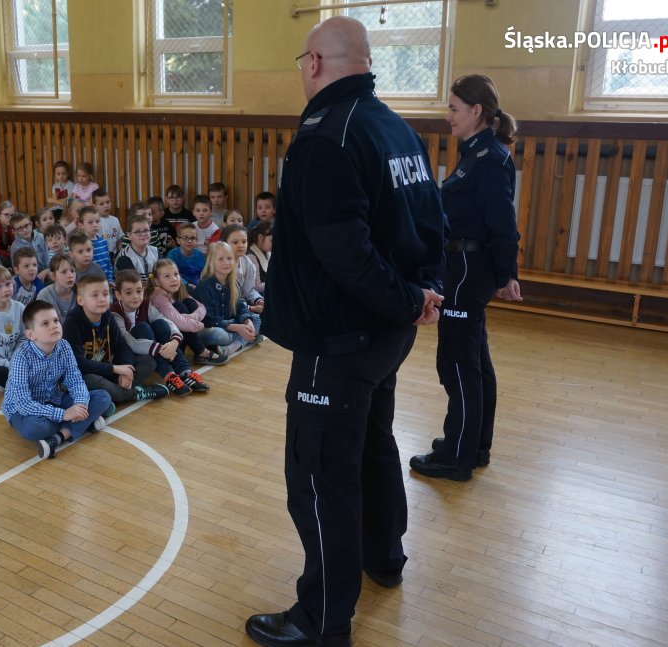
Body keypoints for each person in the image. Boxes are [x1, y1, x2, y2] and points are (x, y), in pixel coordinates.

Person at [245, 17, 445, 647]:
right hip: (384, 334)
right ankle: (383, 556)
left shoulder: (325, 136)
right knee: (371, 445)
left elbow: (346, 254)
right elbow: (431, 224)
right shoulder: (395, 127)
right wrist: (421, 295)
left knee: (319, 475)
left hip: (338, 341)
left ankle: (321, 619)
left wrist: (410, 299)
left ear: (313, 63)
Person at [409, 74, 522, 482]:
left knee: (457, 363)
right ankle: (473, 445)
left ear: (476, 111)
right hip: (463, 268)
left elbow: (503, 224)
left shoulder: (488, 159)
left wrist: (507, 274)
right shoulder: (476, 152)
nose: (448, 116)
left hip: (467, 271)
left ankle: (456, 457)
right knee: (474, 360)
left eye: (454, 108)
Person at [1, 300, 113, 459]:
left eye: (55, 320)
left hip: (54, 399)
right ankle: (84, 423)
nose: (54, 326)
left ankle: (59, 437)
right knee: (35, 428)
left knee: (103, 397)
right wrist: (64, 414)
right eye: (45, 323)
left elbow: (75, 380)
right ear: (31, 334)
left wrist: (80, 405)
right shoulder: (21, 357)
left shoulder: (64, 346)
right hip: (22, 410)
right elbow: (24, 404)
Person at [62, 274, 168, 404]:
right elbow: (78, 364)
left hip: (106, 370)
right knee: (91, 380)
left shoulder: (107, 315)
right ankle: (133, 394)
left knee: (148, 361)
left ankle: (114, 393)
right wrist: (114, 369)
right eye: (95, 295)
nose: (102, 299)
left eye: (105, 294)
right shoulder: (72, 323)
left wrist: (126, 369)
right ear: (80, 300)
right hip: (85, 375)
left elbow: (122, 346)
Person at [110, 270, 209, 396]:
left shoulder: (145, 304)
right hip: (130, 355)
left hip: (154, 348)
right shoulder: (114, 313)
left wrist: (174, 341)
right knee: (142, 328)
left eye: (139, 291)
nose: (135, 296)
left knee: (160, 324)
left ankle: (185, 372)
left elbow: (166, 321)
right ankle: (169, 376)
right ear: (118, 295)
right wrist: (160, 349)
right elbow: (129, 342)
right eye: (129, 292)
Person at [148, 258, 227, 366]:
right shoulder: (158, 296)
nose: (174, 279)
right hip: (164, 342)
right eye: (167, 276)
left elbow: (201, 307)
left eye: (176, 274)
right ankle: (200, 352)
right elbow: (180, 323)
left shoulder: (178, 290)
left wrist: (193, 316)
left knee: (189, 302)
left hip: (179, 335)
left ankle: (198, 351)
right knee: (180, 307)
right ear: (157, 281)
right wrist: (200, 325)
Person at [193, 241, 260, 359]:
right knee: (218, 335)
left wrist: (247, 321)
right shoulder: (204, 286)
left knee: (257, 320)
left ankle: (231, 347)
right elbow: (208, 320)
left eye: (229, 258)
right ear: (211, 261)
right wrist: (236, 328)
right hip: (211, 328)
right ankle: (244, 340)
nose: (226, 263)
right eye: (221, 259)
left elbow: (241, 306)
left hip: (231, 325)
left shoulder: (233, 283)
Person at [221, 224, 264, 315]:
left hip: (242, 307)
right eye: (235, 242)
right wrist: (251, 308)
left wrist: (258, 301)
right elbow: (223, 298)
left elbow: (249, 290)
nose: (241, 245)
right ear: (224, 243)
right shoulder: (220, 264)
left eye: (244, 242)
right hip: (224, 309)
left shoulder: (247, 262)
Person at [114, 213, 158, 281]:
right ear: (129, 236)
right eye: (137, 232)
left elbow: (161, 275)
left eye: (146, 230)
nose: (143, 234)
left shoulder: (155, 251)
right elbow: (132, 284)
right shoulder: (124, 258)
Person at [37, 252, 78, 323]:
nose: (70, 275)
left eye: (72, 271)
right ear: (53, 276)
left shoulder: (80, 292)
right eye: (64, 272)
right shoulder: (44, 296)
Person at [9, 212, 49, 281]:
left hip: (44, 272)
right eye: (20, 228)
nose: (25, 230)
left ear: (31, 224)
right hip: (27, 277)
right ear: (14, 231)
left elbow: (46, 259)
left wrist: (46, 272)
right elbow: (17, 269)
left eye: (26, 225)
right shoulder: (15, 247)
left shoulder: (41, 237)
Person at [166, 222, 206, 289]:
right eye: (185, 237)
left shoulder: (201, 256)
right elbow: (171, 276)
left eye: (193, 238)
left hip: (198, 288)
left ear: (196, 240)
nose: (189, 241)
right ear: (178, 240)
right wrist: (189, 286)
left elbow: (205, 276)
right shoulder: (172, 255)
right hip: (178, 288)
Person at [79, 206, 114, 283]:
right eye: (90, 222)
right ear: (81, 225)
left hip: (105, 283)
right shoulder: (80, 245)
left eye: (97, 221)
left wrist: (110, 280)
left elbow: (108, 264)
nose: (95, 225)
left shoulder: (103, 241)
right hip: (89, 283)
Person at [93, 189, 123, 256]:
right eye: (101, 204)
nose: (106, 206)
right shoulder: (95, 222)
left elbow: (119, 239)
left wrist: (121, 252)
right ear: (94, 206)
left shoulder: (115, 220)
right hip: (102, 256)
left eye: (108, 202)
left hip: (115, 256)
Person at [247, 220, 273, 296]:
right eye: (272, 240)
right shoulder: (251, 257)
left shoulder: (268, 253)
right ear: (260, 237)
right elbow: (256, 286)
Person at [0, 201, 17, 268]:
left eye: (12, 215)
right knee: (6, 261)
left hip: (3, 253)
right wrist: (10, 254)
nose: (10, 218)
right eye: (6, 215)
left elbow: (13, 244)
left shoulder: (10, 227)